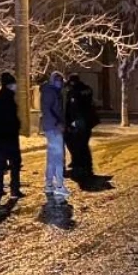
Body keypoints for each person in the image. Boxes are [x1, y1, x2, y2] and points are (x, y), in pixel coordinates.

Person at [0, 71, 23, 204]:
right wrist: (15, 125)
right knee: (15, 164)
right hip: (9, 137)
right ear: (8, 85)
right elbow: (11, 118)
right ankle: (14, 189)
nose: (15, 86)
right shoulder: (9, 98)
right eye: (13, 84)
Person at [39, 71, 69, 200]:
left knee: (52, 157)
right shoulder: (51, 92)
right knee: (57, 157)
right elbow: (49, 110)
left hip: (51, 127)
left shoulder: (50, 91)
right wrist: (58, 123)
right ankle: (59, 186)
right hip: (54, 127)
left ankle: (49, 184)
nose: (60, 83)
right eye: (59, 80)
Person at [65, 73, 97, 182]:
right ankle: (84, 167)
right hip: (84, 122)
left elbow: (73, 108)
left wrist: (69, 121)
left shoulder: (75, 92)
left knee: (80, 145)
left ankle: (83, 168)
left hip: (81, 122)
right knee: (81, 145)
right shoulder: (85, 89)